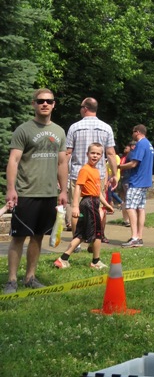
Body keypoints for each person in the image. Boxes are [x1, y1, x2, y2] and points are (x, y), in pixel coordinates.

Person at [4, 89, 68, 293]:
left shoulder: (59, 131)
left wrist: (64, 190)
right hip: (26, 192)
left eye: (49, 101)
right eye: (40, 101)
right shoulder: (23, 130)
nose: (45, 104)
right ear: (34, 104)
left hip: (48, 194)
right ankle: (12, 280)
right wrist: (11, 189)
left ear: (54, 104)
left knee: (38, 236)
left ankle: (30, 277)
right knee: (18, 237)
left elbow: (62, 163)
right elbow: (13, 160)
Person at [54, 143, 115, 270]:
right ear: (87, 154)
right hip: (89, 203)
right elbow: (78, 187)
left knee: (81, 234)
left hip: (94, 201)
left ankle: (62, 259)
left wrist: (106, 204)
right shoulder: (85, 170)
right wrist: (75, 206)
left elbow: (98, 191)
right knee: (98, 233)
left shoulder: (96, 171)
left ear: (101, 156)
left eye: (98, 154)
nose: (95, 156)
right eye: (92, 153)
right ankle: (95, 261)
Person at [65, 97, 117, 231]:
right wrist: (114, 175)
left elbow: (68, 153)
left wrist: (62, 175)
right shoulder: (106, 128)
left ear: (85, 109)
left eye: (81, 107)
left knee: (75, 206)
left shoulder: (74, 127)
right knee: (99, 207)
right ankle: (98, 236)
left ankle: (76, 239)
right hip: (97, 175)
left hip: (78, 174)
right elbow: (111, 153)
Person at [118, 124, 154, 248]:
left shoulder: (141, 144)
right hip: (145, 181)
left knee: (130, 207)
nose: (132, 134)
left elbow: (133, 164)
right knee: (140, 208)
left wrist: (119, 166)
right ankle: (139, 237)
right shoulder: (149, 144)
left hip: (137, 181)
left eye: (133, 132)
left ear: (137, 132)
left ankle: (134, 237)